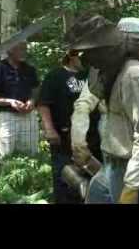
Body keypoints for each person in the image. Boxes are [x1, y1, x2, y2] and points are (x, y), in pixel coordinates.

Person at [70, 17, 139, 204]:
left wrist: (132, 185)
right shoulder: (115, 74)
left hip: (133, 164)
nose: (89, 60)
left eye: (94, 53)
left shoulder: (135, 76)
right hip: (117, 161)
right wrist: (78, 142)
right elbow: (83, 105)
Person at [37, 49, 100, 204]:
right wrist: (49, 129)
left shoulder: (92, 76)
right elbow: (43, 104)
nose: (87, 61)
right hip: (63, 140)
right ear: (72, 56)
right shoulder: (55, 76)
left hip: (93, 140)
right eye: (83, 58)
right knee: (66, 184)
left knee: (94, 184)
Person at [0, 42, 40, 159]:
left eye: (25, 49)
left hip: (28, 115)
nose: (23, 51)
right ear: (9, 51)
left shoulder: (30, 69)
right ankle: (1, 174)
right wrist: (10, 102)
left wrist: (32, 101)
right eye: (20, 48)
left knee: (31, 154)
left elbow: (36, 91)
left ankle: (31, 177)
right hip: (7, 116)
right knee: (4, 154)